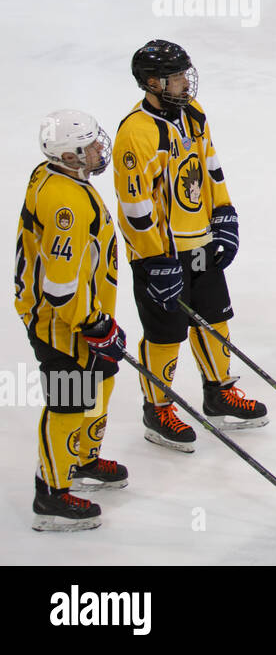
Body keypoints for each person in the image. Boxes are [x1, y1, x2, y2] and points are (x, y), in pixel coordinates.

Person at [115, 41, 267, 450]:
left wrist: (224, 215)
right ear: (152, 83)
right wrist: (154, 260)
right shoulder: (136, 133)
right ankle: (157, 408)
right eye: (177, 76)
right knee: (165, 334)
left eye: (185, 73)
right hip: (161, 254)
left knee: (215, 318)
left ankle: (218, 393)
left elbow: (211, 168)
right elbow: (135, 207)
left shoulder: (194, 115)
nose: (186, 81)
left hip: (199, 242)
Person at [17, 110, 125, 530]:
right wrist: (94, 325)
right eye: (93, 146)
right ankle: (51, 494)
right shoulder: (66, 203)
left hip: (80, 316)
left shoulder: (58, 176)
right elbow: (60, 289)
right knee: (68, 398)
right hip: (61, 323)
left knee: (103, 378)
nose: (102, 149)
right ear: (72, 155)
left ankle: (80, 460)